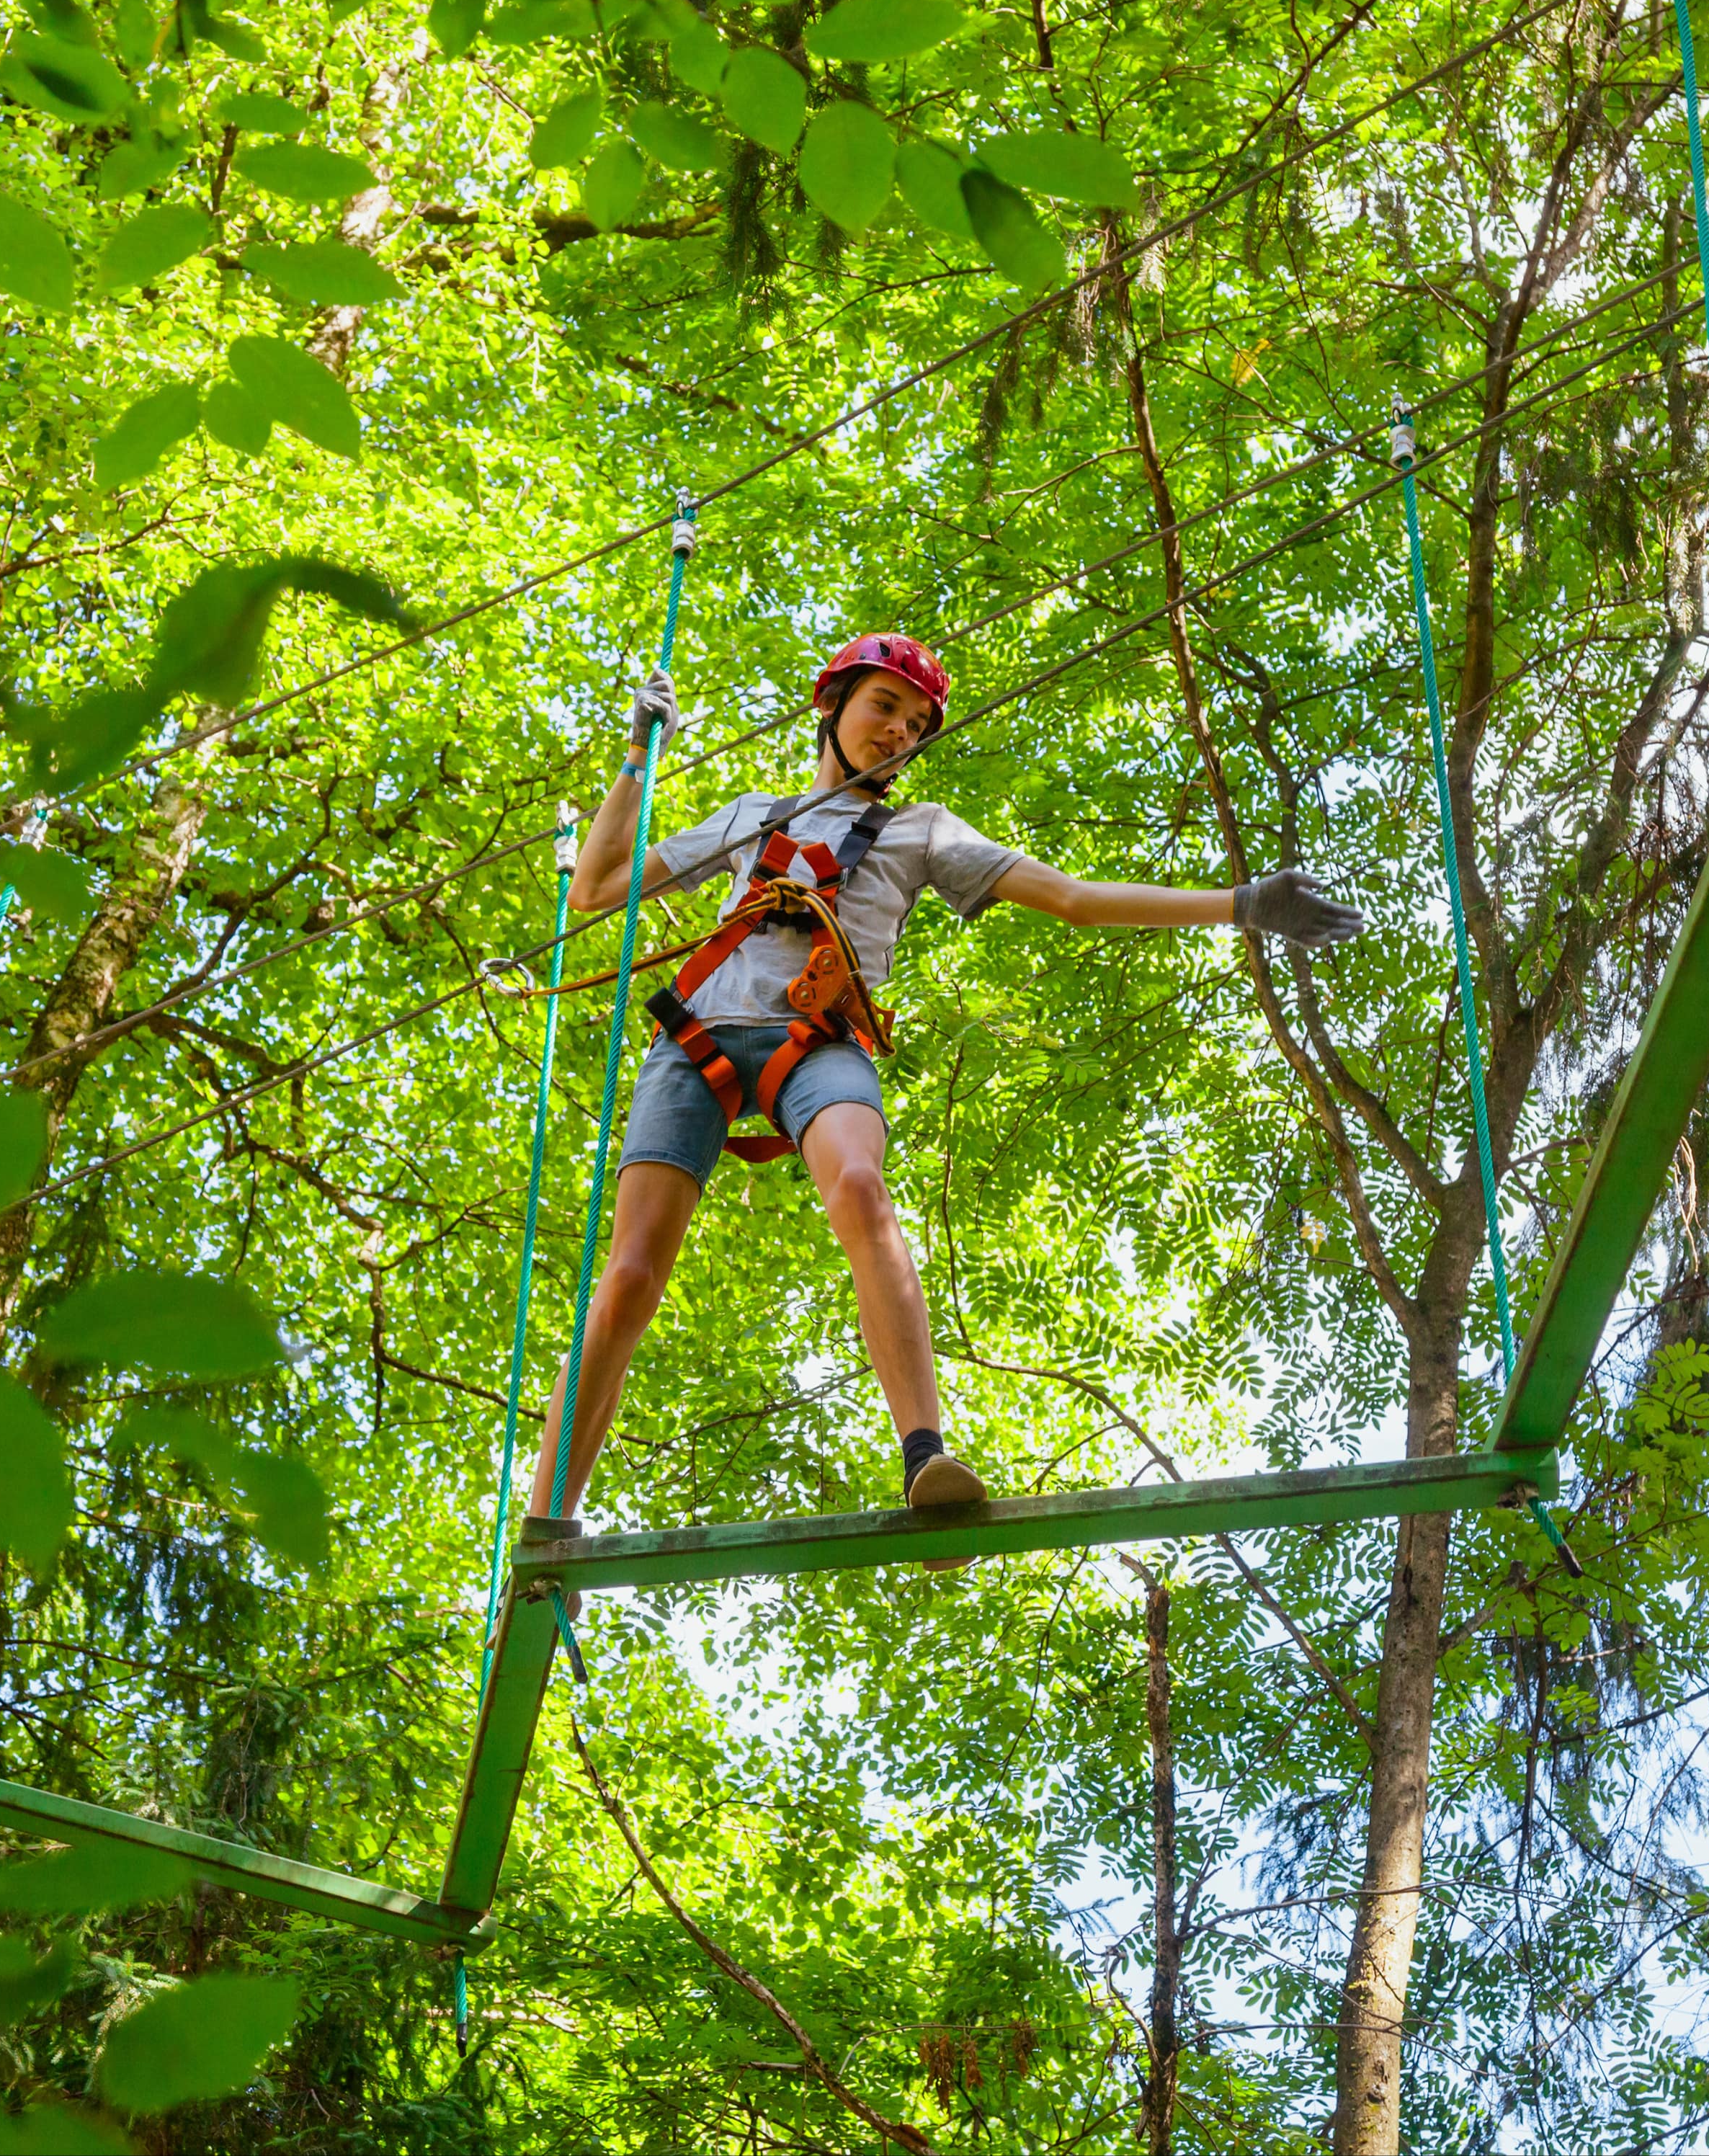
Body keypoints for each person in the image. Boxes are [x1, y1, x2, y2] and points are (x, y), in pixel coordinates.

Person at [526, 632, 1362, 1556]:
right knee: (634, 1274)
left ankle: (924, 1455)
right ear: (834, 705)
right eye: (885, 707)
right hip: (697, 1044)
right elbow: (597, 888)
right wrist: (639, 760)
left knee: (861, 1189)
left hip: (820, 1042)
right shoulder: (751, 816)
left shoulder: (924, 830)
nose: (899, 734)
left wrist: (1240, 905)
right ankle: (549, 1517)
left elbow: (1072, 896)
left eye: (917, 726)